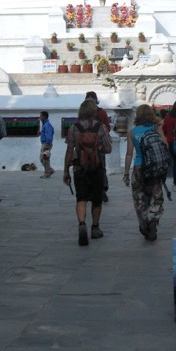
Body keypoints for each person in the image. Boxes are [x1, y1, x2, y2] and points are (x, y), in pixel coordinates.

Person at [63, 99, 112, 245]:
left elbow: (69, 150)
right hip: (96, 167)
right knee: (97, 199)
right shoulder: (100, 127)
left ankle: (82, 224)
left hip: (79, 168)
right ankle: (95, 228)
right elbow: (108, 148)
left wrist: (66, 170)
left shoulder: (74, 128)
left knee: (81, 198)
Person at [124, 104, 166, 241]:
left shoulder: (132, 132)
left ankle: (143, 224)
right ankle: (153, 220)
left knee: (139, 198)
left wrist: (125, 173)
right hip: (154, 168)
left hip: (138, 167)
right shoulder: (157, 128)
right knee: (157, 196)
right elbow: (165, 145)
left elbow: (129, 153)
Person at [86, 91, 111, 201]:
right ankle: (101, 188)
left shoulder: (84, 114)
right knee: (100, 167)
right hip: (98, 145)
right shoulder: (101, 113)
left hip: (86, 146)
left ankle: (92, 189)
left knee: (88, 167)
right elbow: (107, 128)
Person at [39, 110, 56, 177]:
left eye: (41, 116)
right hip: (44, 143)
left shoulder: (47, 125)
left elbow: (48, 135)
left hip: (46, 144)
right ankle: (50, 170)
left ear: (44, 117)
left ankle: (47, 172)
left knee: (45, 158)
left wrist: (47, 145)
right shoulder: (44, 125)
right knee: (42, 158)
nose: (39, 117)